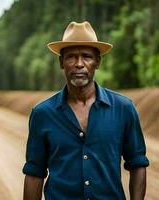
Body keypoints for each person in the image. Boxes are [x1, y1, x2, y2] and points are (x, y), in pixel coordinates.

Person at [22, 21, 149, 200]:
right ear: (61, 62)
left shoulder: (124, 109)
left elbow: (137, 164)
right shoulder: (43, 114)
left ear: (97, 62)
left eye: (87, 57)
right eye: (71, 57)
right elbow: (34, 174)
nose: (79, 64)